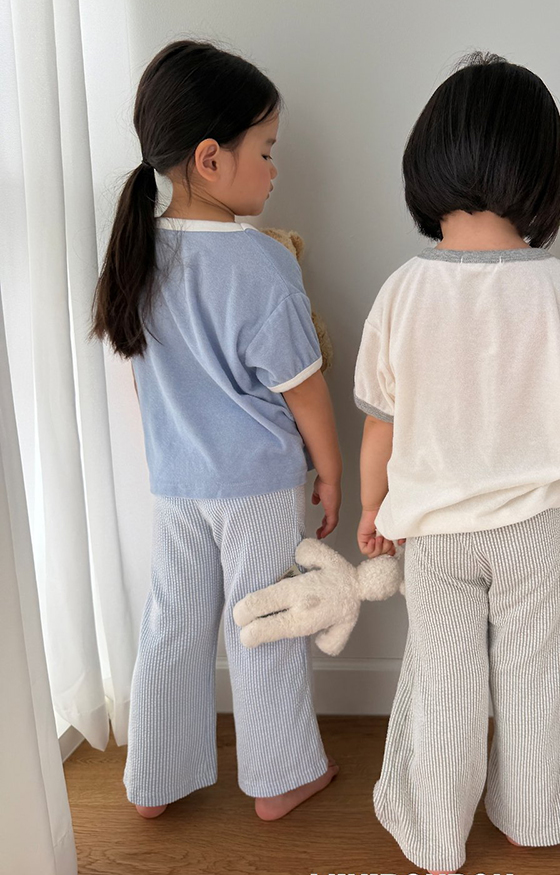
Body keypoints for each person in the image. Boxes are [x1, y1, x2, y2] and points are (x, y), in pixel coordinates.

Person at [353, 51, 560, 873]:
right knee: (539, 676)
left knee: (446, 681)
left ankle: (436, 834)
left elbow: (380, 428)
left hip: (434, 532)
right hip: (533, 524)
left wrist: (372, 509)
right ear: (541, 174)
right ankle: (534, 818)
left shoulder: (401, 291)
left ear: (428, 160)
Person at [91, 39, 342, 821]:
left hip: (176, 481)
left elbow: (147, 378)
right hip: (257, 482)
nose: (273, 169)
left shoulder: (137, 254)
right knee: (263, 624)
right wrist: (332, 471)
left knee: (172, 625)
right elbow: (305, 391)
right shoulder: (261, 265)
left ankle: (154, 780)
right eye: (265, 151)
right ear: (209, 159)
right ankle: (279, 778)